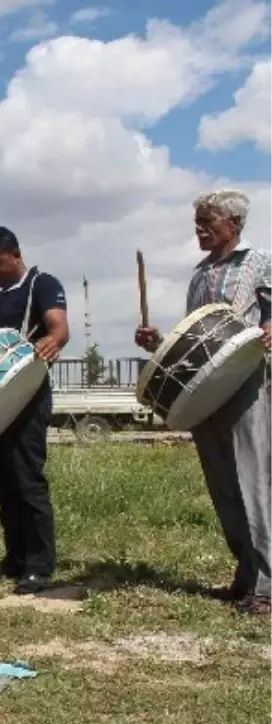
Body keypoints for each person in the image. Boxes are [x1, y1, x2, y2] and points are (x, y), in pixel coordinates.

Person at [135, 189, 272, 615]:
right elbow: (194, 337)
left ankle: (267, 585)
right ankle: (246, 573)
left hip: (245, 380)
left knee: (252, 479)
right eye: (197, 221)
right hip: (204, 388)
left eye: (207, 221)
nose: (199, 229)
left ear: (233, 224)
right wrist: (158, 343)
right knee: (223, 483)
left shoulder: (259, 262)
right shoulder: (199, 275)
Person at [0, 227, 70, 594]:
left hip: (27, 398)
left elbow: (59, 329)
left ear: (15, 255)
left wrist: (51, 341)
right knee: (3, 482)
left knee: (27, 481)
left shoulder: (42, 284)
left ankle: (39, 566)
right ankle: (15, 557)